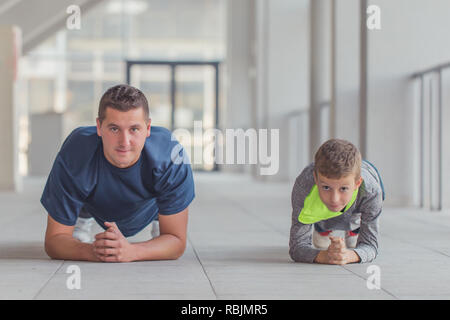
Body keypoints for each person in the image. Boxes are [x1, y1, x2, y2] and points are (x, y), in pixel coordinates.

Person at [41, 84, 195, 262]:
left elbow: (176, 242)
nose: (125, 142)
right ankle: (81, 221)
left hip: (151, 204)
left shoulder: (170, 155)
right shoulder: (76, 151)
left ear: (148, 128)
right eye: (114, 129)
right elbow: (54, 241)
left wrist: (132, 251)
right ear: (99, 127)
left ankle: (158, 222)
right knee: (82, 178)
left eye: (134, 129)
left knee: (163, 233)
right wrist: (95, 251)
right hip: (93, 201)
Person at [289, 139, 384, 265]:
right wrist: (324, 255)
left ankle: (354, 228)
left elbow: (371, 246)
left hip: (365, 186)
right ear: (316, 180)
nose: (334, 198)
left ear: (357, 183)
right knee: (328, 212)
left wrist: (349, 255)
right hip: (323, 204)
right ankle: (322, 227)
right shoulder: (304, 185)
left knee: (352, 222)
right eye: (326, 187)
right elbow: (297, 247)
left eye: (343, 189)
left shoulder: (371, 191)